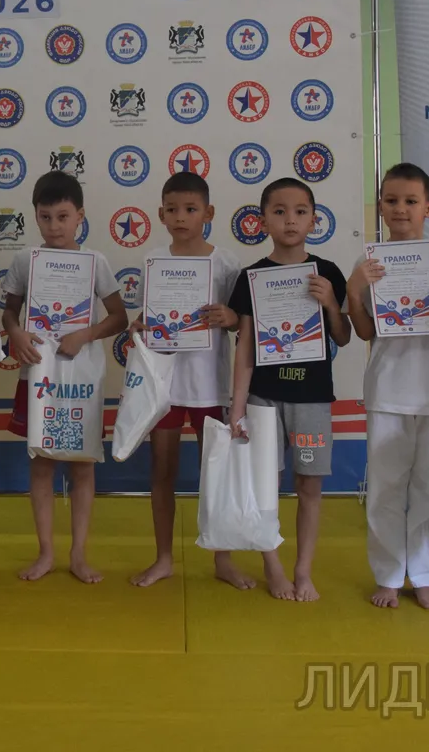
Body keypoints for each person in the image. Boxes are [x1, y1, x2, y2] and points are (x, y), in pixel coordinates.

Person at [346, 164, 429, 609]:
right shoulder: (368, 264)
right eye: (391, 201)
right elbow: (364, 331)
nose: (400, 209)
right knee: (385, 489)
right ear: (380, 207)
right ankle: (388, 575)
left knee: (427, 488)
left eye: (410, 201)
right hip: (388, 391)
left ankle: (422, 576)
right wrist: (354, 290)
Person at [2, 171, 129, 584]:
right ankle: (45, 552)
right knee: (41, 463)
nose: (54, 226)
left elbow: (119, 317)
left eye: (62, 217)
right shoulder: (25, 260)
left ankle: (78, 554)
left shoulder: (96, 261)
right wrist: (16, 333)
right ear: (35, 216)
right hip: (39, 372)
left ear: (80, 216)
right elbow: (10, 311)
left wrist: (84, 335)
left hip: (81, 377)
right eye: (45, 217)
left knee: (82, 465)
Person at [228, 177, 351, 602]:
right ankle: (273, 565)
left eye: (300, 212)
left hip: (312, 398)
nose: (290, 220)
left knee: (310, 486)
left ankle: (303, 569)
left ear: (314, 220)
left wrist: (331, 303)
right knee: (265, 485)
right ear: (263, 221)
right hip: (263, 398)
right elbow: (245, 346)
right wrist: (237, 407)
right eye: (279, 212)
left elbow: (344, 336)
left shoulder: (328, 273)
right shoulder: (250, 277)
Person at [128, 172, 246, 589]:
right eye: (172, 209)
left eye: (190, 209)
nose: (181, 217)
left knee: (216, 474)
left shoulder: (226, 263)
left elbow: (244, 323)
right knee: (162, 471)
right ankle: (163, 558)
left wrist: (230, 317)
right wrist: (139, 325)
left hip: (210, 386)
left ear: (208, 213)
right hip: (165, 387)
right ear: (160, 214)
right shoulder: (153, 260)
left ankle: (223, 559)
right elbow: (147, 317)